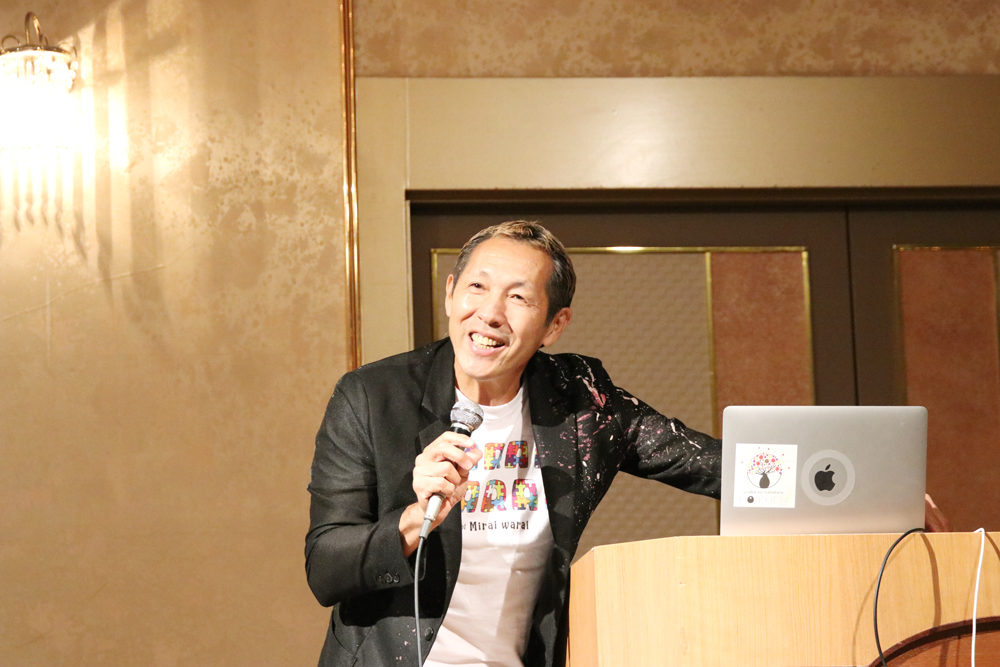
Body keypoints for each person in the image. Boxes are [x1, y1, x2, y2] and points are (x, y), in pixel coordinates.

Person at [304, 221, 948, 667]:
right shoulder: (371, 398)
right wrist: (411, 521)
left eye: (518, 297)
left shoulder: (583, 400)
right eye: (476, 287)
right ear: (450, 294)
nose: (490, 313)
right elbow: (326, 566)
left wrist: (864, 490)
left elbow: (716, 464)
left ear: (554, 325)